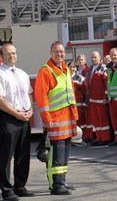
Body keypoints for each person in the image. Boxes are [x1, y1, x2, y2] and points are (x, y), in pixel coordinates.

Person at [34, 41, 78, 195]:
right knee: (55, 154)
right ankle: (56, 184)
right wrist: (46, 119)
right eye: (56, 52)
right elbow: (41, 98)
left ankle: (62, 181)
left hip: (67, 119)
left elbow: (69, 94)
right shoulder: (46, 72)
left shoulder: (65, 69)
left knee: (64, 153)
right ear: (51, 53)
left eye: (61, 52)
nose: (59, 54)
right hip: (55, 120)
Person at [0, 43, 34, 200]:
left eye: (13, 53)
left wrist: (31, 111)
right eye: (8, 54)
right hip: (8, 118)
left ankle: (20, 186)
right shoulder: (1, 74)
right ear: (2, 56)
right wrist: (16, 114)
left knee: (23, 154)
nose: (11, 56)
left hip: (24, 117)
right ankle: (6, 190)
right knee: (6, 156)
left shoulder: (22, 73)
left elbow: (29, 94)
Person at [86, 51, 110, 146]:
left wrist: (105, 97)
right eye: (92, 57)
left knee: (102, 120)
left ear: (99, 57)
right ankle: (99, 137)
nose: (93, 59)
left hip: (100, 99)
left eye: (95, 57)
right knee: (96, 120)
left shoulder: (103, 68)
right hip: (93, 99)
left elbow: (106, 84)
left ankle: (105, 138)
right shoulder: (90, 69)